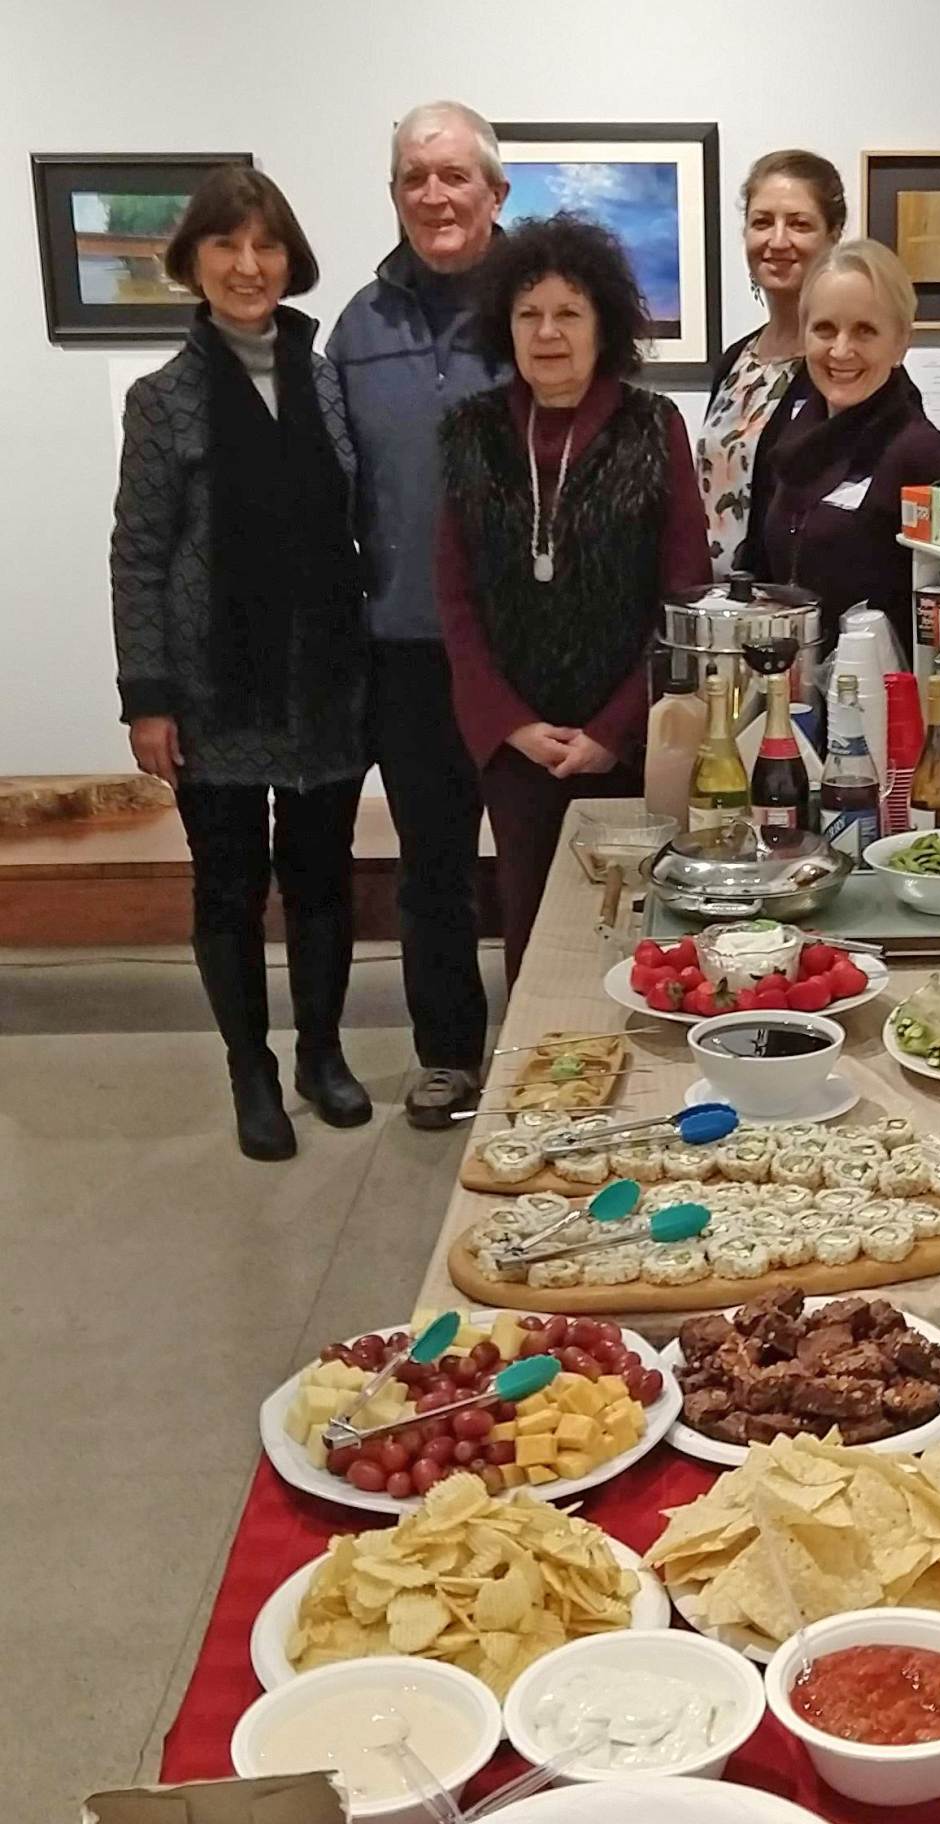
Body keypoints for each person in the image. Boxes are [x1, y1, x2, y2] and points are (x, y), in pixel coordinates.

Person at [110, 168, 368, 1162]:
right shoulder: (164, 400)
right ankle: (250, 1068)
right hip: (214, 686)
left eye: (265, 246)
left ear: (288, 257)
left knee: (321, 880)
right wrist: (148, 699)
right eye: (226, 246)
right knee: (227, 887)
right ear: (193, 262)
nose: (248, 266)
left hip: (326, 679)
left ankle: (321, 1053)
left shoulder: (327, 372)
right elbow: (138, 553)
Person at [436, 214, 711, 985]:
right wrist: (512, 725)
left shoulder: (655, 427)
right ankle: (539, 1088)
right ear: (504, 325)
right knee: (533, 926)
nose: (547, 333)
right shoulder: (469, 432)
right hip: (518, 749)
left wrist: (612, 731)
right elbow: (454, 600)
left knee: (642, 930)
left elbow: (681, 598)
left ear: (605, 324)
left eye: (568, 313)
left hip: (629, 740)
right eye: (529, 314)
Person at [327, 101, 509, 1128]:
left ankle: (551, 1056)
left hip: (529, 655)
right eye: (413, 178)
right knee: (430, 871)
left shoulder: (542, 305)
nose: (434, 196)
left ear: (496, 190)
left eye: (454, 176)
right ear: (394, 191)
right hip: (405, 651)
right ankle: (447, 1055)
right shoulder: (360, 327)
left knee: (540, 870)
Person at [760, 238, 940, 654]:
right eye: (825, 329)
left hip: (882, 703)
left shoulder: (922, 455)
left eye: (865, 331)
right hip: (795, 691)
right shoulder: (790, 437)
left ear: (901, 342)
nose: (841, 350)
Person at [697, 149, 845, 577]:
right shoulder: (734, 361)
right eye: (762, 222)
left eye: (799, 224)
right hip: (718, 616)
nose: (777, 241)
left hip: (794, 622)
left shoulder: (844, 370)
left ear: (833, 235)